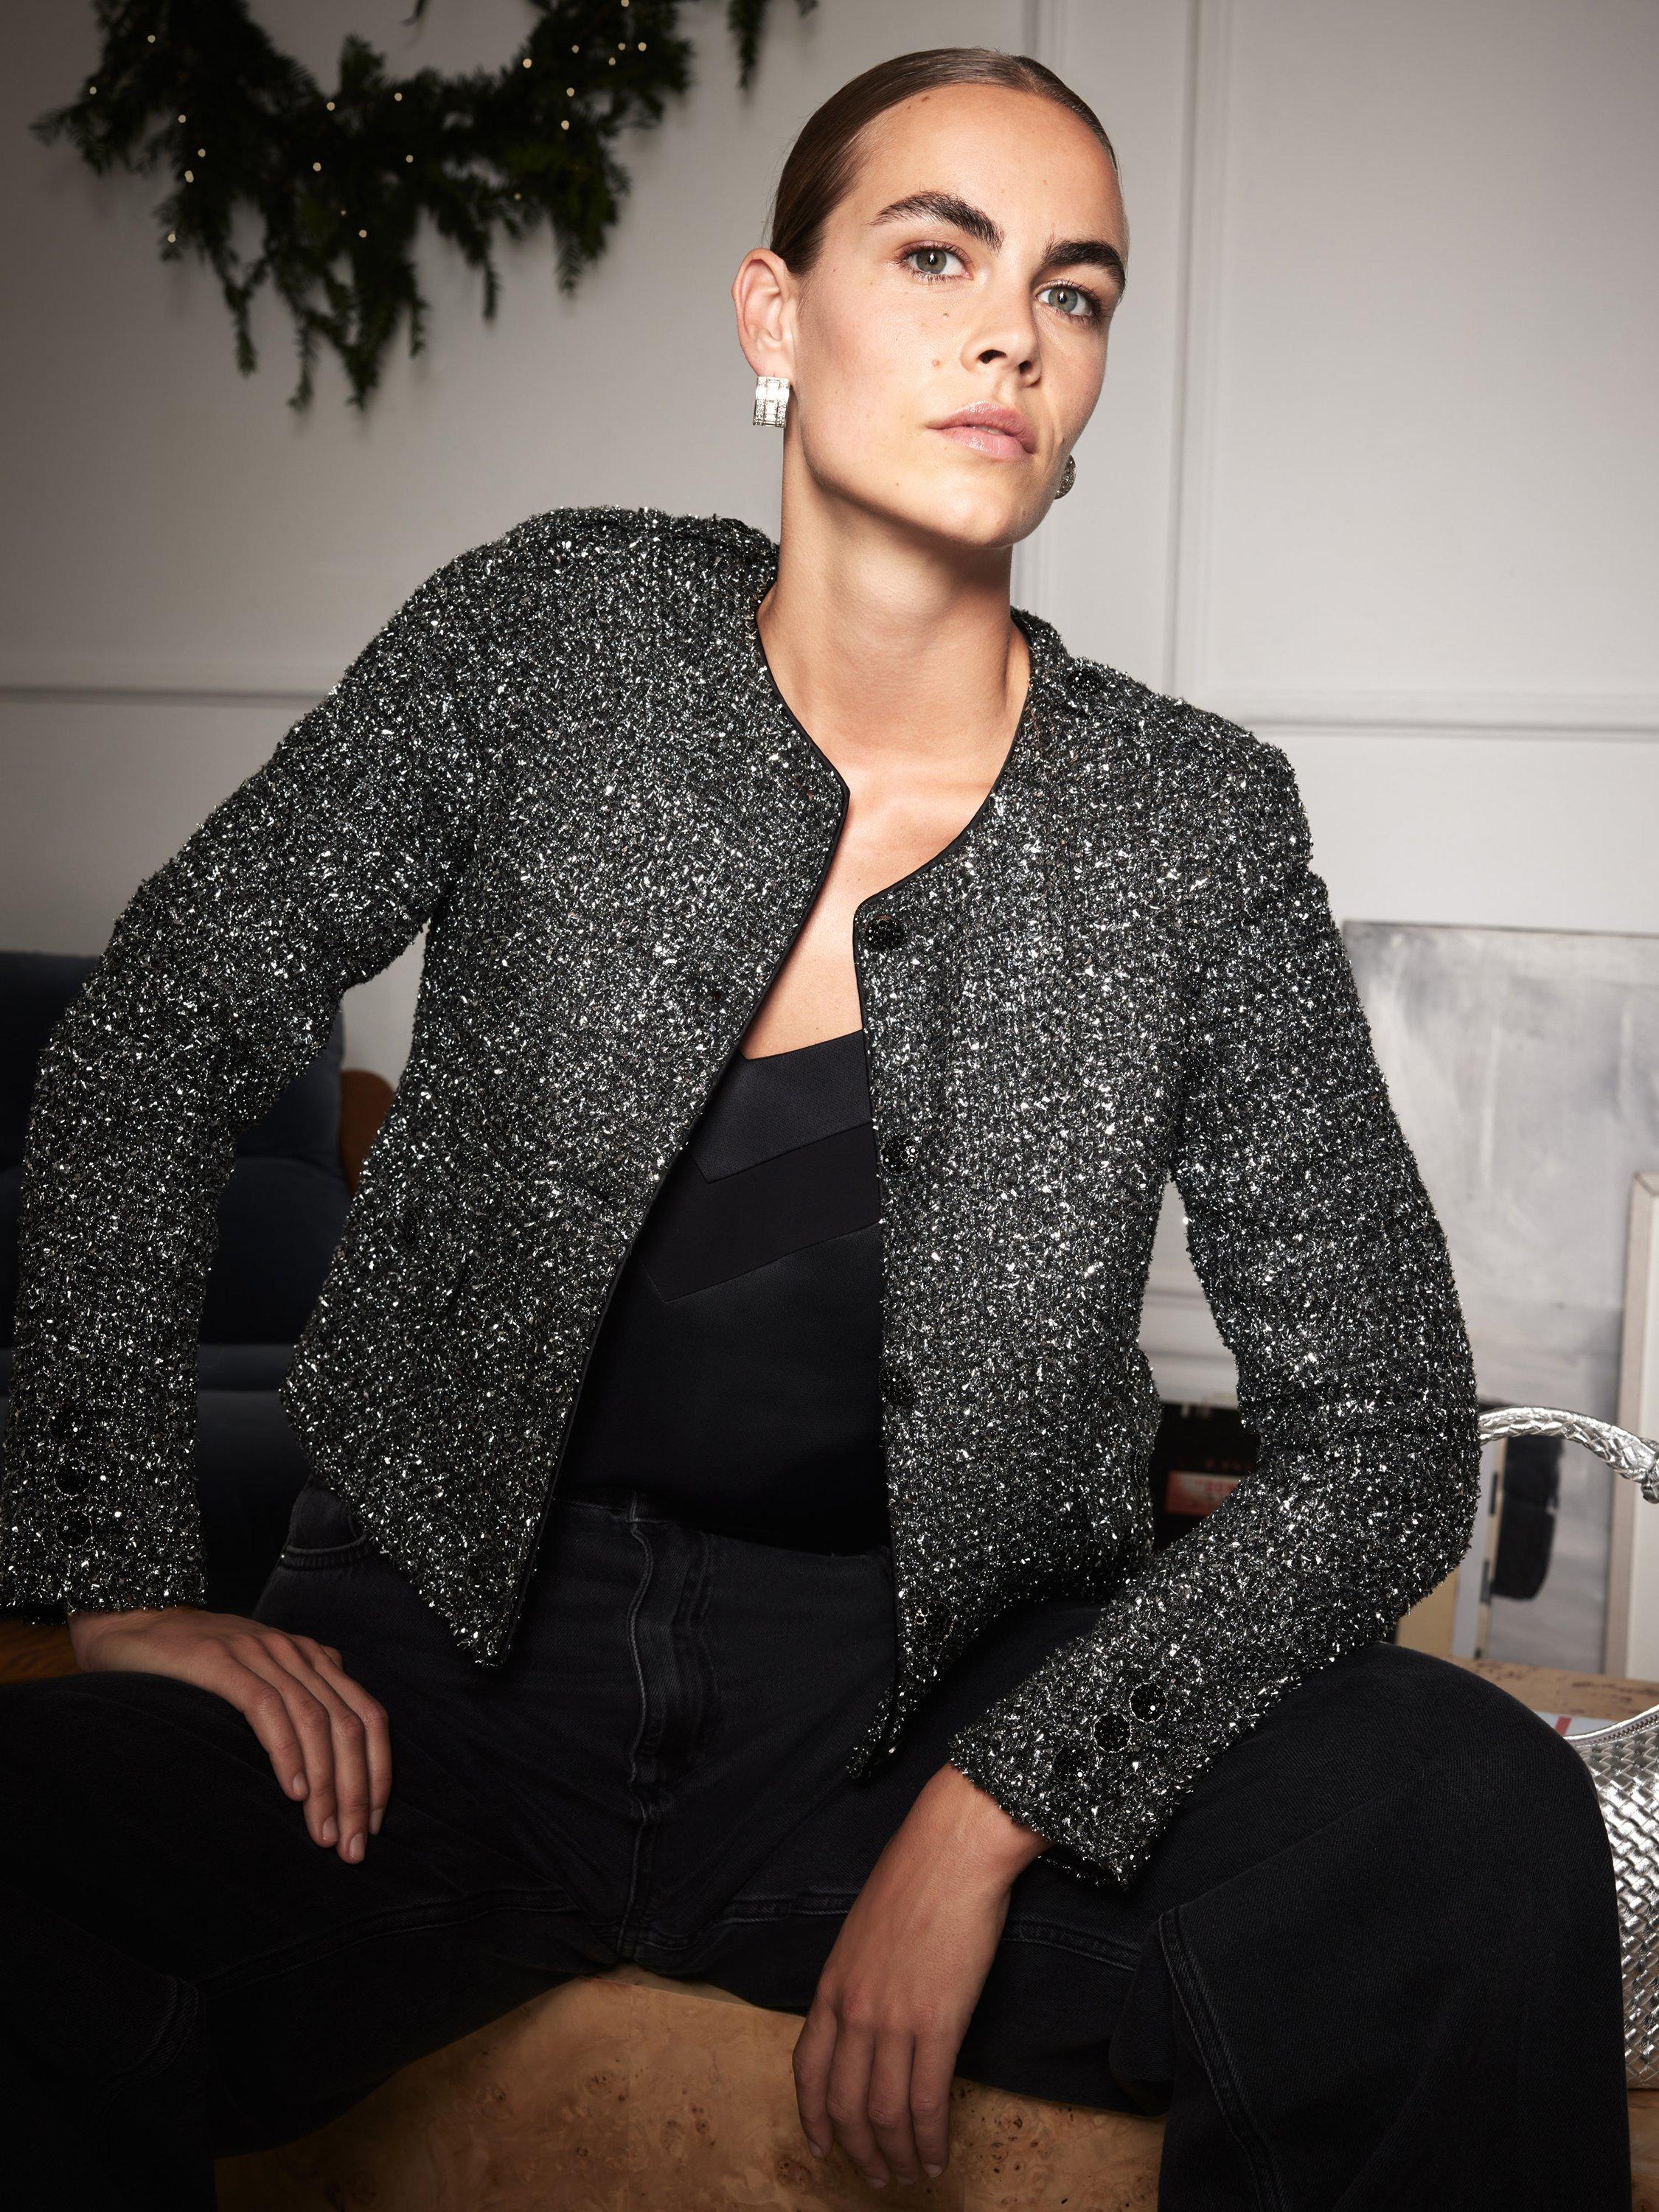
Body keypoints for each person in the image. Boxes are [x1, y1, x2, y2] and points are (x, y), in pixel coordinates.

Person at [0, 44, 1631, 2212]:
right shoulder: (548, 638)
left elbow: (1388, 1432)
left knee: (1467, 1817)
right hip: (427, 1696)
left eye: (1072, 291)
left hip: (927, 1703)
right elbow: (151, 1036)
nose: (1010, 334)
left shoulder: (1187, 820)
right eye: (938, 254)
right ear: (774, 311)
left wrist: (998, 1806)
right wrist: (115, 1573)